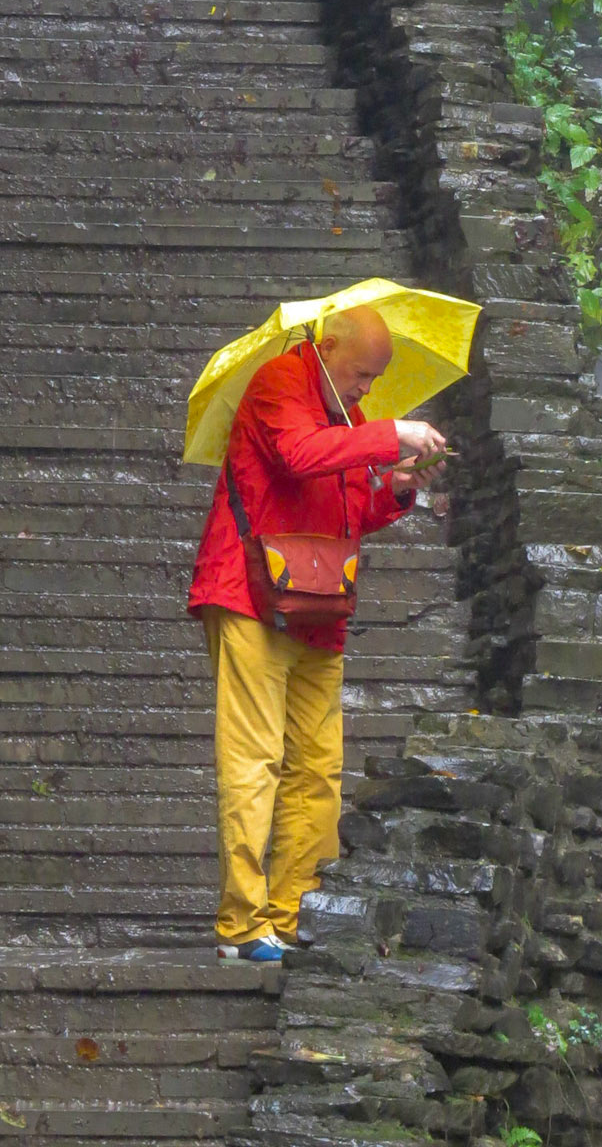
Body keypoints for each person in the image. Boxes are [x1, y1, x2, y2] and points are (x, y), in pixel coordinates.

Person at [186, 305, 447, 961]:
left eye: (377, 376)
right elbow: (300, 458)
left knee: (320, 769)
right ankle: (244, 925)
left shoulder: (349, 419)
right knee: (255, 760)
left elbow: (350, 508)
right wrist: (392, 434)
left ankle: (292, 908)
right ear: (325, 349)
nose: (368, 386)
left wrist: (400, 488)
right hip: (250, 593)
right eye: (363, 372)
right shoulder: (278, 383)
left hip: (317, 608)